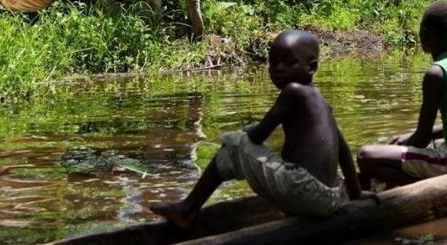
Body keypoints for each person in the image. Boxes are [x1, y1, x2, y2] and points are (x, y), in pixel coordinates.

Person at [150, 29, 373, 228]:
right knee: (261, 153)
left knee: (233, 146)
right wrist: (355, 192)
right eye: (272, 62)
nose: (278, 69)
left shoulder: (293, 91)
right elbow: (343, 151)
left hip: (305, 192)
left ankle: (188, 209)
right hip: (332, 197)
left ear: (311, 67)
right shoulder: (323, 103)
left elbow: (258, 136)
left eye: (288, 62)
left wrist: (246, 131)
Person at [357, 1, 447, 188]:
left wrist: (399, 146)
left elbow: (422, 139)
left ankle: (422, 186)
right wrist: (407, 138)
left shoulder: (436, 73)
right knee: (411, 146)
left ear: (426, 33)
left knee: (366, 155)